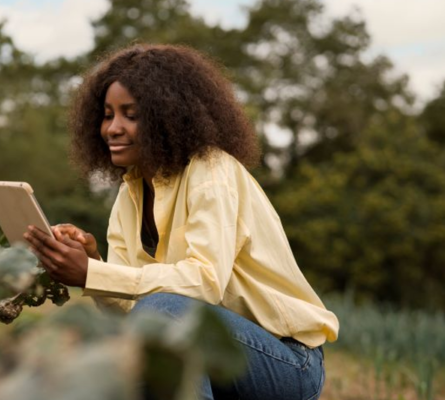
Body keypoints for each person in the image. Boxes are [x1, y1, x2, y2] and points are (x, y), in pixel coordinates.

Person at [24, 44, 339, 400]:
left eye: (131, 114)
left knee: (165, 311)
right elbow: (130, 311)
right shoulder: (129, 194)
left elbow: (204, 283)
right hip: (210, 349)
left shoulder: (211, 172)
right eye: (108, 114)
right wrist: (93, 264)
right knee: (124, 340)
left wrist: (91, 275)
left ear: (167, 116)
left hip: (287, 362)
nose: (113, 128)